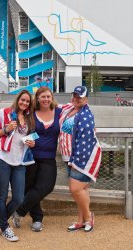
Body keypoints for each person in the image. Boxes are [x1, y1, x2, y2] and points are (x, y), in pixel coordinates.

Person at [12, 87, 62, 232]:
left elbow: (76, 108)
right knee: (31, 187)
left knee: (46, 186)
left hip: (48, 157)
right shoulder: (31, 113)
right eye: (43, 97)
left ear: (52, 98)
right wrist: (29, 140)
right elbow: (24, 130)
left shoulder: (59, 112)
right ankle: (37, 219)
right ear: (38, 99)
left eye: (48, 96)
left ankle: (19, 211)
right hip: (31, 156)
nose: (46, 99)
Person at [0, 90, 35, 241]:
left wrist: (32, 143)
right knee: (2, 195)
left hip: (19, 162)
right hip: (2, 159)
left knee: (18, 198)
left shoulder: (29, 119)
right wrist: (5, 129)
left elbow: (28, 139)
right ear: (18, 99)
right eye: (23, 100)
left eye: (27, 101)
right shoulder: (4, 113)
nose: (24, 103)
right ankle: (5, 228)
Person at [59, 86, 102, 233]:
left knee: (75, 189)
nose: (76, 99)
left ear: (86, 99)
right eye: (74, 96)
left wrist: (78, 162)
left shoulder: (86, 115)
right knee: (82, 191)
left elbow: (86, 140)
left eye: (80, 97)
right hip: (67, 156)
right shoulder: (68, 109)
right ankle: (80, 221)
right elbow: (52, 105)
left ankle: (89, 218)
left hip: (79, 158)